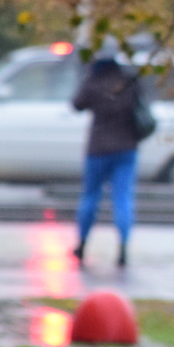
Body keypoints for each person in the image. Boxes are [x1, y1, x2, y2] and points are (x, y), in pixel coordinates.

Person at [71, 57, 142, 267]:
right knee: (123, 199)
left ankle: (82, 244)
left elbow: (76, 104)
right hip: (127, 148)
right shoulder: (129, 80)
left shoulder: (94, 82)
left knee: (90, 197)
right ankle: (123, 248)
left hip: (98, 149)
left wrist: (87, 80)